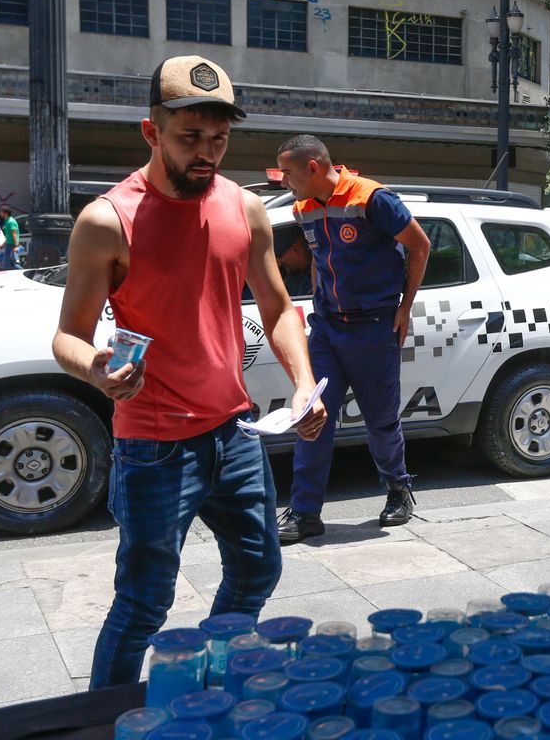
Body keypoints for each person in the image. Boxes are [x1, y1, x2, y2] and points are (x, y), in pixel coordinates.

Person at [52, 55, 326, 689]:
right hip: (152, 444)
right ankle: (108, 722)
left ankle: (204, 678)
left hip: (233, 431)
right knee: (145, 601)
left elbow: (280, 306)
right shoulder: (107, 220)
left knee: (259, 569)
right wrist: (97, 367)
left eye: (220, 139)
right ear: (152, 132)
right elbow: (68, 336)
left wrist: (303, 383)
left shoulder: (245, 207)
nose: (208, 153)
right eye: (190, 138)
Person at [274, 134, 432, 543]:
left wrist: (404, 306)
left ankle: (398, 491)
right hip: (327, 328)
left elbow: (420, 245)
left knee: (381, 422)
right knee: (312, 419)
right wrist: (315, 308)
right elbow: (318, 261)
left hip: (373, 327)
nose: (285, 181)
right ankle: (306, 513)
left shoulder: (372, 198)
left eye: (289, 173)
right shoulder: (303, 207)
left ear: (312, 168)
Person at [277, 234, 314, 298]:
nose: (279, 263)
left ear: (296, 250)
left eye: (280, 257)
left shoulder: (320, 274)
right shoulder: (290, 277)